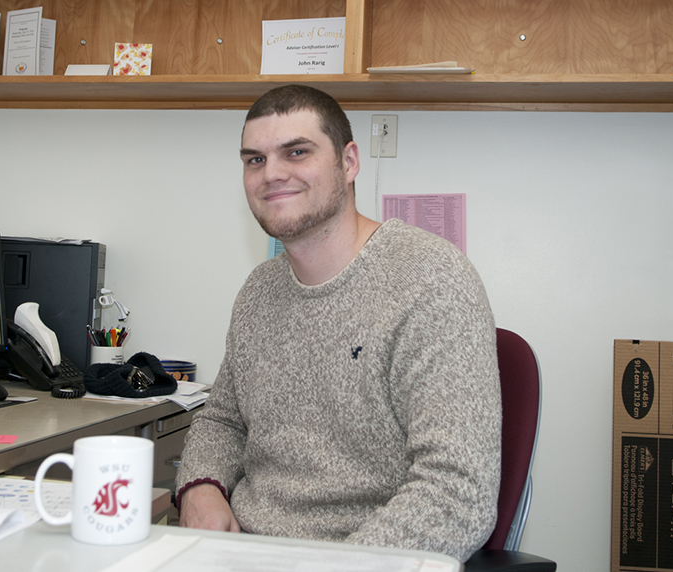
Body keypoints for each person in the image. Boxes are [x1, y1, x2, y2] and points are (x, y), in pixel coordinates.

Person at [174, 84, 501, 561]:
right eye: (254, 160)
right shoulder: (259, 291)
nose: (272, 174)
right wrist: (201, 486)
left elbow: (457, 492)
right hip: (244, 551)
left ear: (348, 163)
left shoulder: (430, 280)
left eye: (297, 152)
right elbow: (223, 420)